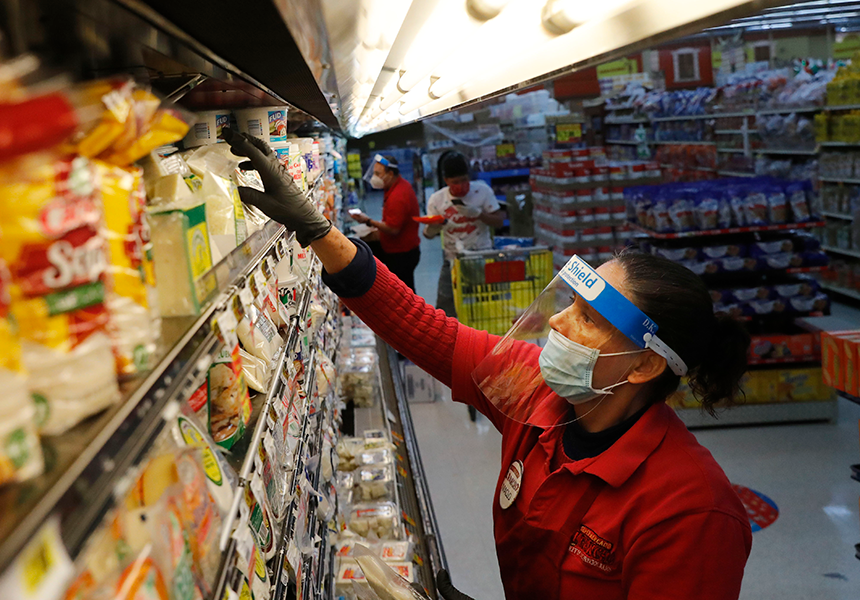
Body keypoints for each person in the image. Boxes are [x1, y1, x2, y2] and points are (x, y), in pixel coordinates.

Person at [223, 129, 753, 600]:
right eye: (568, 304)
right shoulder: (536, 391)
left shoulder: (692, 511)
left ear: (642, 367)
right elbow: (423, 327)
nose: (559, 324)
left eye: (588, 320)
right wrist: (320, 232)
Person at [424, 151, 506, 317]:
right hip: (452, 259)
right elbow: (427, 235)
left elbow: (499, 220)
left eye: (464, 180)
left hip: (482, 256)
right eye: (455, 182)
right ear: (446, 180)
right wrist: (432, 228)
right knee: (445, 307)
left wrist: (479, 214)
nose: (460, 186)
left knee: (486, 305)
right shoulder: (436, 200)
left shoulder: (482, 191)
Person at [351, 154, 421, 292]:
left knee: (404, 294)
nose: (374, 177)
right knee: (405, 290)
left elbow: (393, 229)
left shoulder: (398, 195)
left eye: (378, 173)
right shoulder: (396, 187)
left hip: (401, 253)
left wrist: (368, 221)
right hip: (401, 248)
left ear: (390, 174)